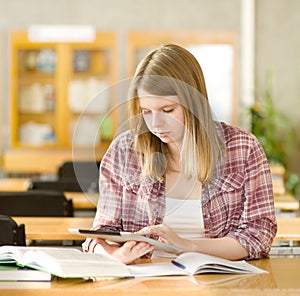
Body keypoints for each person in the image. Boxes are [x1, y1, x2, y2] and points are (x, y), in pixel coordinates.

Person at [82, 43, 277, 264]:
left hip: (216, 283)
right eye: (146, 112)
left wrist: (186, 246)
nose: (155, 124)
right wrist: (115, 255)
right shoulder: (123, 151)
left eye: (167, 110)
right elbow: (100, 234)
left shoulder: (243, 148)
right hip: (143, 283)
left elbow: (258, 235)